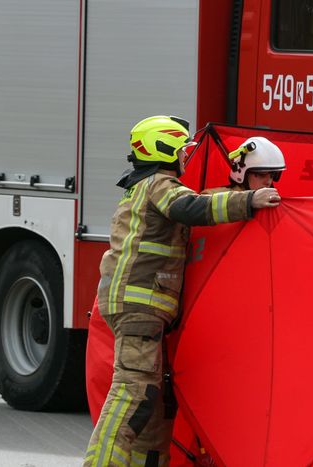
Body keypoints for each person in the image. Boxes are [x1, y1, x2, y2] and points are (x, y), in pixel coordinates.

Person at [85, 116, 281, 467]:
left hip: (138, 307)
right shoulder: (159, 184)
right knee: (133, 394)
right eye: (182, 150)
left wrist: (237, 193)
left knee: (152, 404)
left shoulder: (145, 188)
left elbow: (198, 199)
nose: (185, 158)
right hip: (139, 307)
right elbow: (192, 208)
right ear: (165, 149)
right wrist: (248, 201)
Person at [212, 136, 285, 192]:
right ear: (241, 173)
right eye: (262, 174)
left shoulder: (271, 204)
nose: (268, 182)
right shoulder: (211, 197)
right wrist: (249, 201)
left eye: (272, 175)